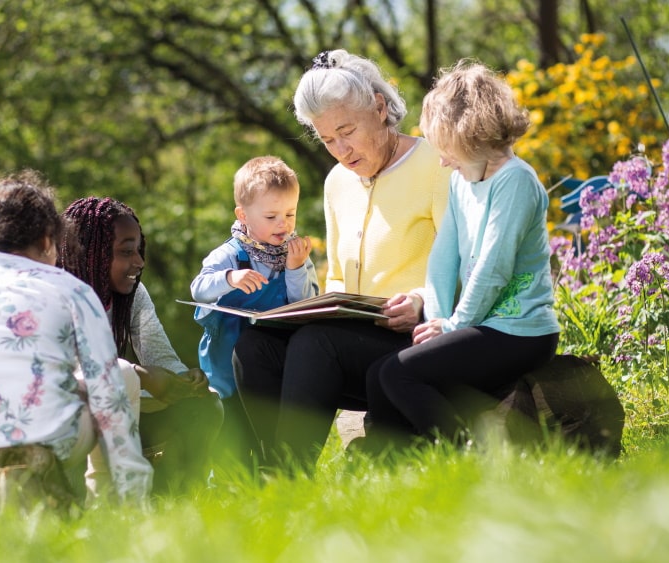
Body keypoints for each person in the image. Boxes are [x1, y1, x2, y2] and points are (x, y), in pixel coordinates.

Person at [232, 49, 451, 469]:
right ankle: (265, 471)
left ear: (380, 108)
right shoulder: (337, 183)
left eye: (346, 131)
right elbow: (337, 278)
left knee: (318, 344)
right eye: (327, 139)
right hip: (353, 343)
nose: (340, 149)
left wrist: (422, 299)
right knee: (254, 346)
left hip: (417, 339)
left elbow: (465, 266)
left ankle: (288, 476)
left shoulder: (434, 165)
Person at [0, 170, 152, 510]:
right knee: (120, 376)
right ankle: (107, 505)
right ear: (47, 241)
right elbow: (108, 396)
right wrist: (136, 493)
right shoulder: (73, 290)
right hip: (47, 441)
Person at [363, 59, 560, 448]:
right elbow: (443, 256)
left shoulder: (515, 181)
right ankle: (390, 463)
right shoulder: (459, 183)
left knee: (398, 374)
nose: (441, 160)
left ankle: (461, 453)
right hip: (481, 325)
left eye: (445, 148)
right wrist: (436, 322)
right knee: (378, 373)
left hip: (520, 331)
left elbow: (493, 268)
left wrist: (453, 328)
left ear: (471, 134)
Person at [59, 196, 224, 494]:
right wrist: (141, 375)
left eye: (138, 250)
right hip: (71, 420)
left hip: (123, 403)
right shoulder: (57, 297)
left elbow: (160, 356)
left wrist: (185, 379)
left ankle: (179, 499)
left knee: (205, 406)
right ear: (90, 254)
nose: (139, 262)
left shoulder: (133, 294)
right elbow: (69, 380)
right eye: (126, 252)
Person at [190, 155, 318, 467]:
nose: (284, 224)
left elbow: (305, 302)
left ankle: (271, 470)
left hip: (272, 360)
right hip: (226, 361)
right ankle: (226, 486)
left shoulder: (295, 254)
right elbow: (198, 288)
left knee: (268, 423)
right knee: (232, 435)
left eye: (290, 213)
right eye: (271, 216)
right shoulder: (230, 255)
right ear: (243, 215)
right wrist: (229, 279)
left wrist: (296, 268)